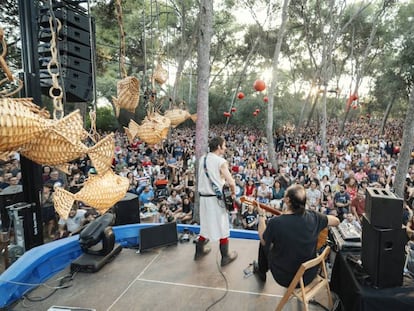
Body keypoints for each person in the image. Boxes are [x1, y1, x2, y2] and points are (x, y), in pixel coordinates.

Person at [252, 184, 339, 285]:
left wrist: (261, 216)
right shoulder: (314, 216)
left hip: (285, 278)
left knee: (265, 240)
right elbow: (336, 221)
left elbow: (263, 240)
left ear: (288, 200)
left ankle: (262, 272)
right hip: (309, 274)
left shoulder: (275, 222)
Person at [196, 136, 238, 266]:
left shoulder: (203, 159)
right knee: (223, 226)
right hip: (216, 199)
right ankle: (225, 257)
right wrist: (233, 193)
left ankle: (199, 251)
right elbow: (231, 181)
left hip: (203, 198)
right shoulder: (221, 161)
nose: (225, 148)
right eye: (224, 145)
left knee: (206, 225)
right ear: (219, 147)